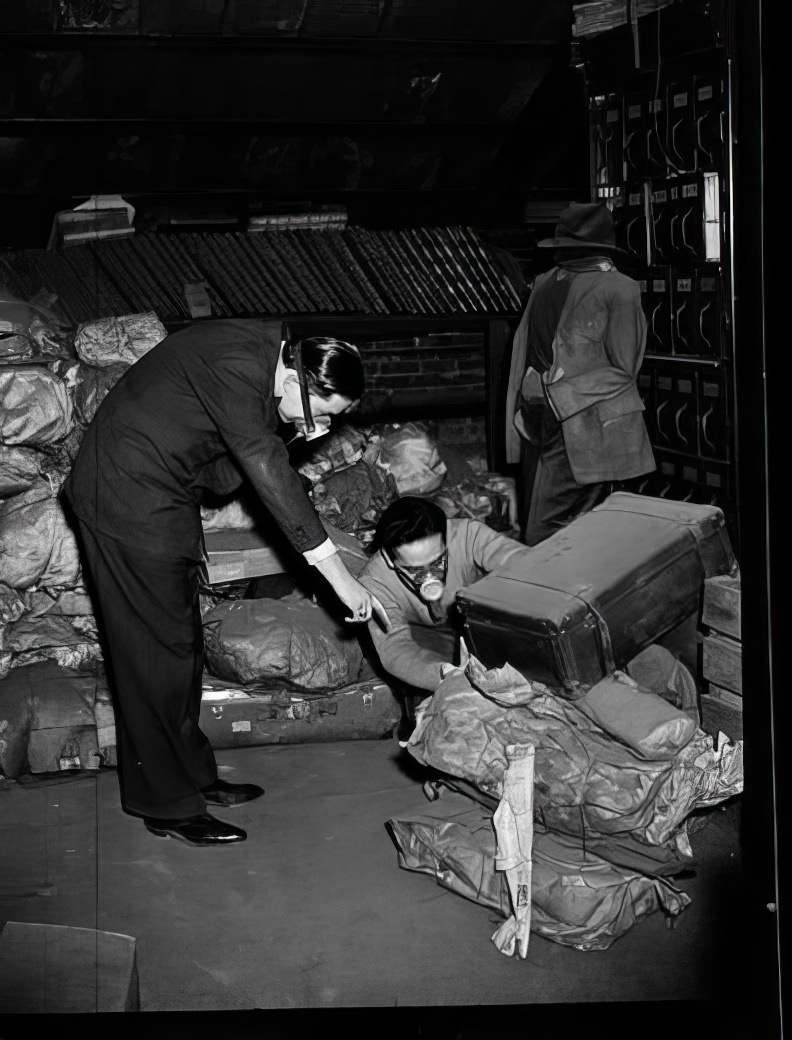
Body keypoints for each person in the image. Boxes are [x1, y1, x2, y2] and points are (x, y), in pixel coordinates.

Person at [62, 318, 389, 847]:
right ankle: (165, 803)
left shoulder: (270, 357)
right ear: (296, 382)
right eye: (323, 414)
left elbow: (221, 475)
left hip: (162, 497)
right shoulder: (240, 367)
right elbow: (264, 471)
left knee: (180, 644)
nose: (322, 429)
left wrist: (291, 429)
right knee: (151, 653)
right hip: (124, 500)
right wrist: (341, 581)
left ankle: (190, 775)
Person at [504, 202, 656, 545]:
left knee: (548, 531)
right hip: (537, 423)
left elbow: (622, 370)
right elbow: (525, 348)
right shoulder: (544, 283)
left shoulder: (619, 288)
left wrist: (553, 394)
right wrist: (532, 399)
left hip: (587, 428)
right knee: (557, 530)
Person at [358, 496, 526, 745]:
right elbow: (394, 647)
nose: (428, 576)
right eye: (414, 569)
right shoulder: (374, 580)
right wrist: (445, 674)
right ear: (391, 560)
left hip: (482, 624)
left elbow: (524, 564)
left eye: (437, 561)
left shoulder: (469, 534)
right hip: (426, 637)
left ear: (447, 537)